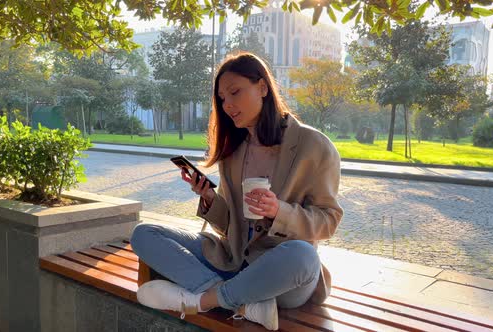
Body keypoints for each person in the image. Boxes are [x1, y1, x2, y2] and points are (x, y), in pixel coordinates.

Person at [130, 52, 343, 331]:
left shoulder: (313, 146)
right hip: (233, 262)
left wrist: (279, 210)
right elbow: (231, 226)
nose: (227, 105)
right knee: (143, 234)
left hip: (281, 274)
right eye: (221, 98)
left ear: (263, 87)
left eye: (235, 92)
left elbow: (328, 220)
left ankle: (201, 299)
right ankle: (238, 302)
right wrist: (208, 198)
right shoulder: (234, 151)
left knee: (303, 255)